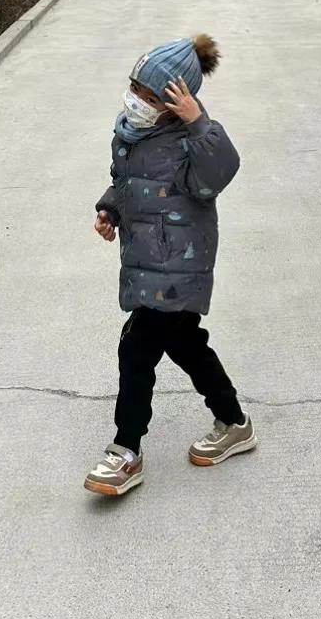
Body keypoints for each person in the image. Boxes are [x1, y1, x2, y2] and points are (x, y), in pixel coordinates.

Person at [85, 34, 255, 497]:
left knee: (136, 348)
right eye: (134, 88)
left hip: (181, 264)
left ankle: (126, 450)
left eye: (148, 94)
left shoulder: (190, 143)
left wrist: (199, 123)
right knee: (186, 344)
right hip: (145, 258)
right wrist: (110, 211)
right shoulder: (129, 132)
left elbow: (219, 173)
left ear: (175, 100)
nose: (136, 100)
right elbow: (124, 183)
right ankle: (234, 421)